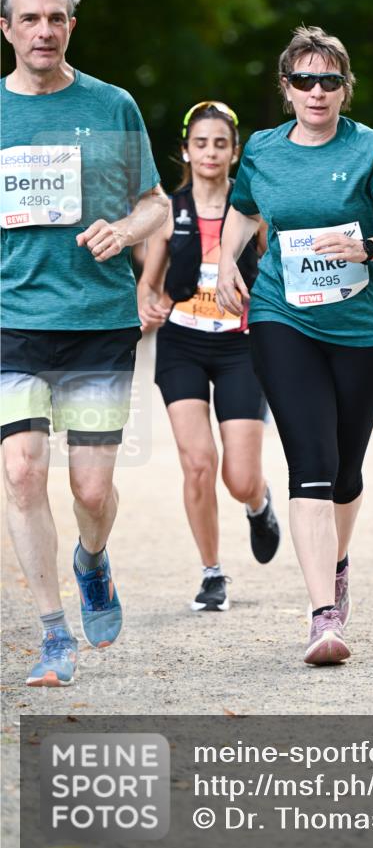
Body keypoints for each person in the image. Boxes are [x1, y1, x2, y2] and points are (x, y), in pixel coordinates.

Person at [216, 25, 373, 665]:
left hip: (367, 331)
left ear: (344, 89)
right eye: (304, 80)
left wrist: (367, 246)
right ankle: (322, 616)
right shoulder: (261, 149)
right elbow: (245, 209)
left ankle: (337, 563)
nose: (317, 91)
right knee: (308, 458)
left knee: (344, 467)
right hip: (285, 317)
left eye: (329, 81)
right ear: (287, 88)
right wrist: (225, 257)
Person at [0, 0, 169, 686]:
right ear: (5, 28)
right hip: (12, 323)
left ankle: (92, 561)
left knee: (92, 491)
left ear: (73, 25)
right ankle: (52, 634)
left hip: (98, 319)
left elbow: (157, 203)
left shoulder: (112, 105)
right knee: (21, 472)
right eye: (30, 18)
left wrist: (127, 233)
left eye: (56, 17)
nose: (45, 30)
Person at [138, 101, 280, 611]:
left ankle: (259, 504)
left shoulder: (255, 211)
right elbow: (148, 288)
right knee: (198, 464)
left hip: (241, 346)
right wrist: (148, 308)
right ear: (185, 150)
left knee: (238, 476)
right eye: (201, 143)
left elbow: (277, 273)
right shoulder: (167, 212)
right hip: (182, 346)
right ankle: (212, 573)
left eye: (220, 143)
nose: (211, 152)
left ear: (234, 150)